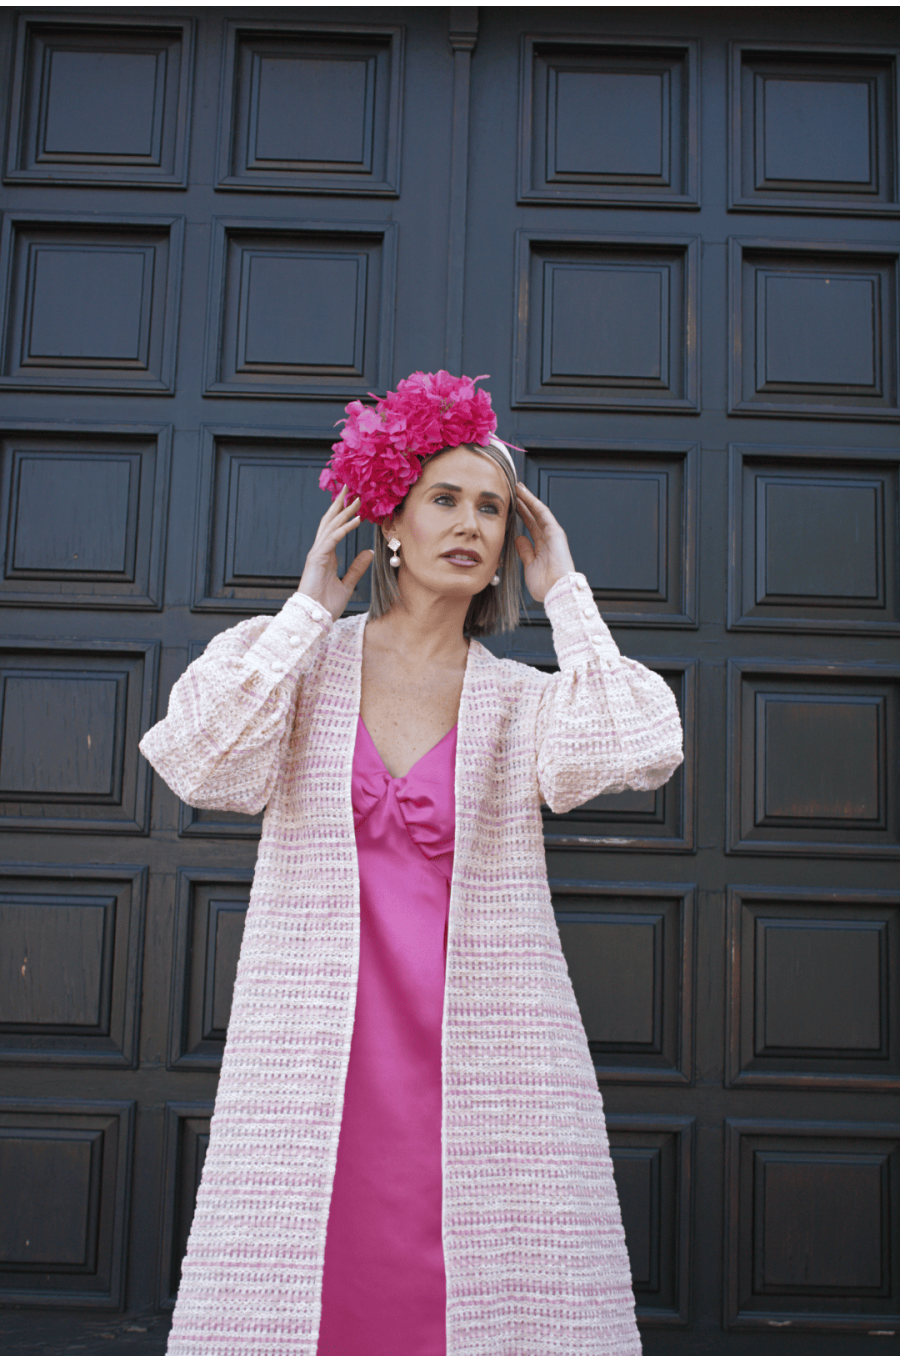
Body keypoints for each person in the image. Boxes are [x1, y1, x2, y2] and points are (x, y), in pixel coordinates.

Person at [140, 371, 684, 1357]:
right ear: (389, 518)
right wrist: (306, 611)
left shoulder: (519, 699)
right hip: (321, 1055)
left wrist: (566, 594)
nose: (471, 524)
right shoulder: (301, 668)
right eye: (445, 498)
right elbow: (199, 761)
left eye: (493, 508)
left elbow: (640, 744)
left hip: (481, 1053)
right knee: (310, 1300)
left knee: (475, 1305)